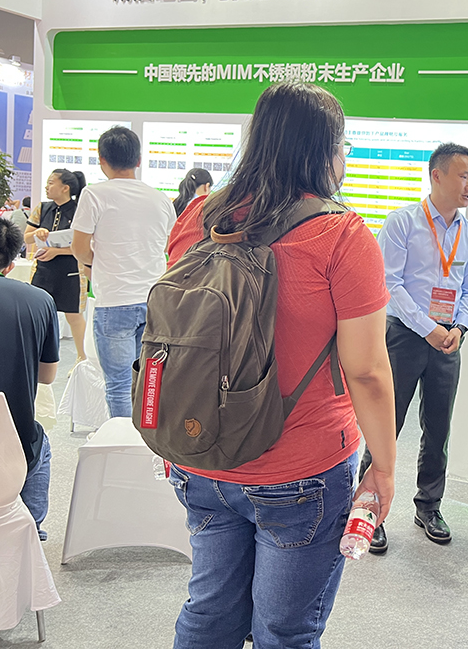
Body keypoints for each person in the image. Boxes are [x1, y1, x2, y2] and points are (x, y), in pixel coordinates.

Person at [165, 82, 397, 648]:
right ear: (326, 150)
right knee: (284, 629)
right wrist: (385, 469)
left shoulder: (201, 215)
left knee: (209, 613)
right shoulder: (340, 235)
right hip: (301, 467)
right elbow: (366, 370)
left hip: (199, 450)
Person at [361, 142, 468, 555]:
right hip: (404, 336)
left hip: (448, 340)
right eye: (463, 176)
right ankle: (368, 510)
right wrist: (428, 328)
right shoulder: (402, 223)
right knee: (386, 424)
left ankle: (429, 507)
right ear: (437, 176)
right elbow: (390, 285)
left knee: (438, 427)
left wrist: (460, 327)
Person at [71, 126, 176, 418]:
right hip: (155, 301)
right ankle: (149, 439)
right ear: (139, 160)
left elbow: (79, 248)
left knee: (118, 384)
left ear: (101, 159)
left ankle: (124, 440)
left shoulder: (94, 195)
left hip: (114, 301)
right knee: (151, 382)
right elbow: (169, 246)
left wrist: (98, 264)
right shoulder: (160, 198)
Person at [0, 215, 59, 541]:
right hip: (12, 445)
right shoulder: (40, 300)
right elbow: (47, 376)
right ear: (10, 263)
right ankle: (28, 532)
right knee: (39, 441)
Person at [25, 168, 90, 362]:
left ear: (65, 188)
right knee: (39, 313)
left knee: (74, 316)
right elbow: (26, 237)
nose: (47, 186)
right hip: (43, 271)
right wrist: (37, 233)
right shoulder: (42, 208)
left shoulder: (80, 210)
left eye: (51, 182)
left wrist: (57, 251)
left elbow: (87, 245)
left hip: (71, 271)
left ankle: (82, 358)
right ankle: (35, 355)